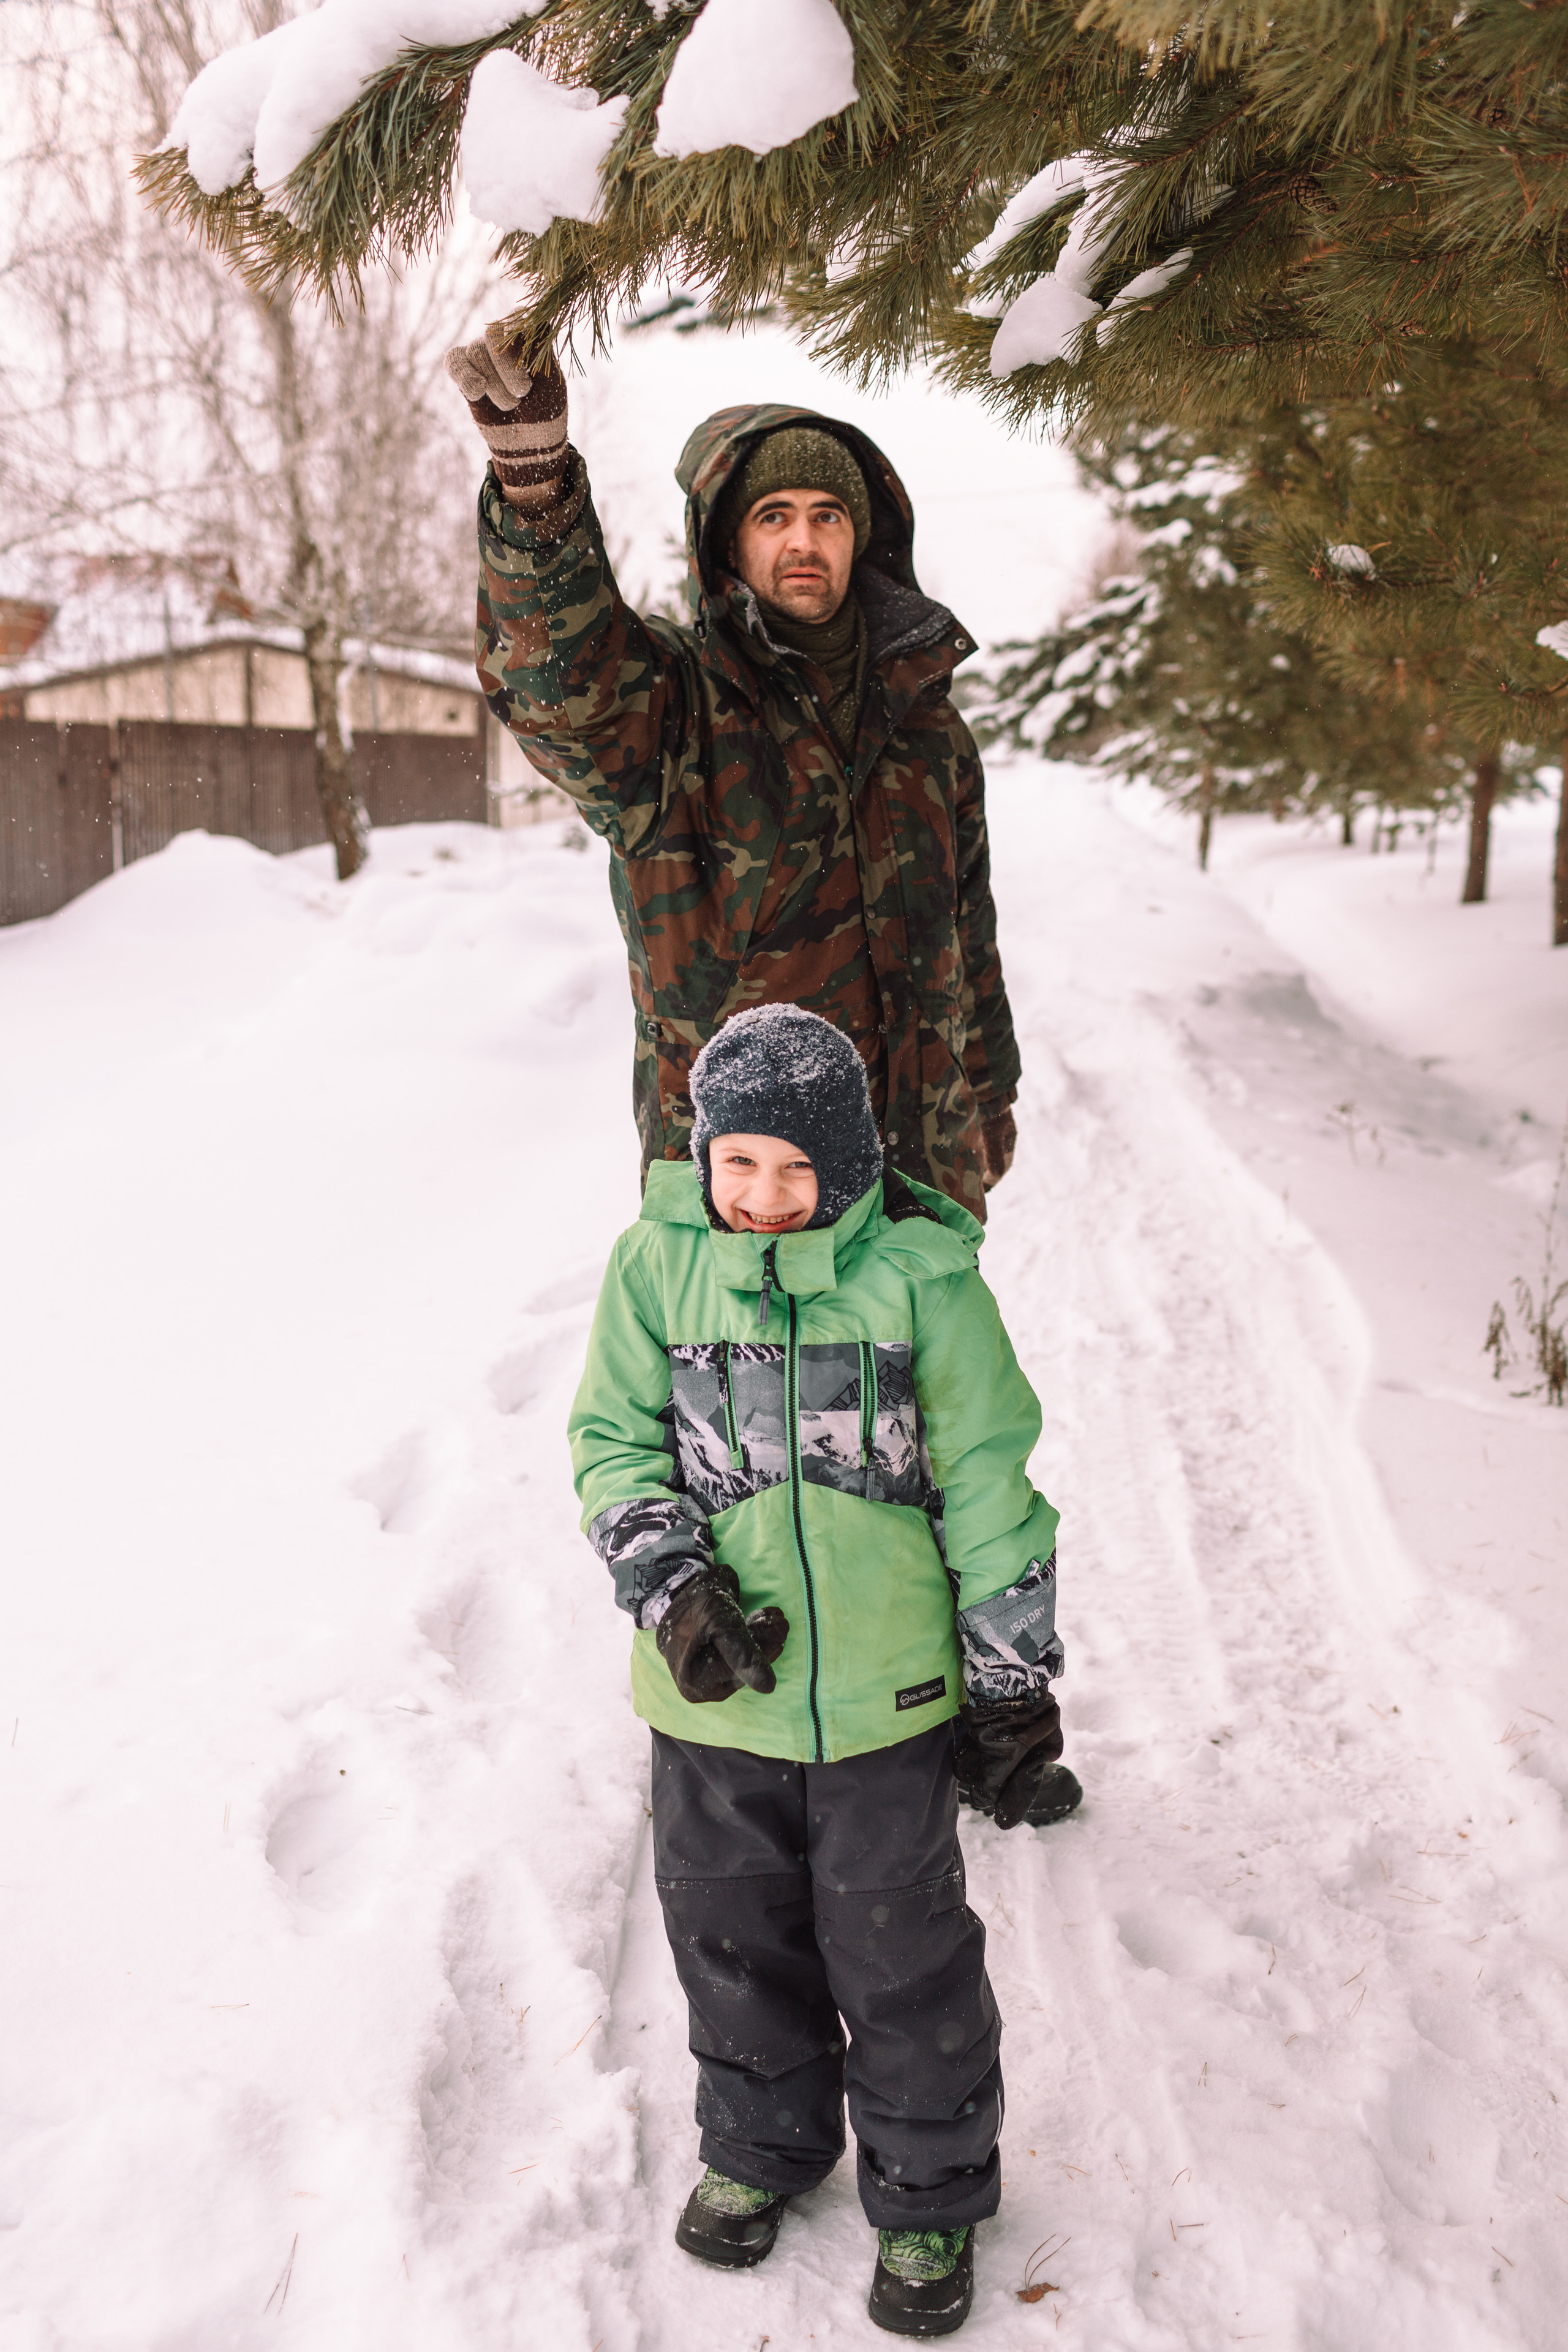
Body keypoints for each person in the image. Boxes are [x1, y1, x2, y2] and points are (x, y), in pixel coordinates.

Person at [568, 1005, 1065, 2337]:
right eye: (739, 1164)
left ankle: (928, 2199)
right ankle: (761, 2146)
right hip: (712, 1703)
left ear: (846, 1166)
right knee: (731, 1938)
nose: (766, 1199)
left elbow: (987, 1487)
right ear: (701, 1153)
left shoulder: (921, 1283)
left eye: (798, 1171)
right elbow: (612, 1445)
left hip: (885, 1703)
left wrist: (1007, 1678)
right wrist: (671, 1590)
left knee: (899, 1954)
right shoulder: (650, 1271)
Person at [445, 324, 1020, 1223]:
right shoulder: (673, 709)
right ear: (728, 541)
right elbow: (556, 686)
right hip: (738, 1186)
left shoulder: (927, 726)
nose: (804, 539)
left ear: (859, 538)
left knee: (924, 1370)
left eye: (827, 515)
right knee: (765, 1374)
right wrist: (538, 491)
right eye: (774, 514)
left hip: (919, 1168)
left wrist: (989, 1092)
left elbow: (967, 925)